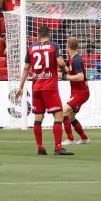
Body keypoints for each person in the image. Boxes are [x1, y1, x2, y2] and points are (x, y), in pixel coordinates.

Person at [14, 24, 71, 155]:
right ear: (49, 34)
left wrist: (20, 87)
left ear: (38, 35)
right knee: (58, 115)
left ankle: (40, 148)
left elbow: (26, 69)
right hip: (50, 87)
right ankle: (58, 148)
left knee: (38, 118)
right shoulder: (54, 46)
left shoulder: (31, 48)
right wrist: (66, 69)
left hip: (36, 87)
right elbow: (61, 63)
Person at [61, 35, 91, 146]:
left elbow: (80, 77)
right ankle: (84, 138)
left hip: (81, 93)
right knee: (71, 116)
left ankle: (70, 139)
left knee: (63, 111)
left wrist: (65, 77)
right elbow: (68, 70)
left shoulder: (77, 59)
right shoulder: (72, 59)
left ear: (67, 47)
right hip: (77, 92)